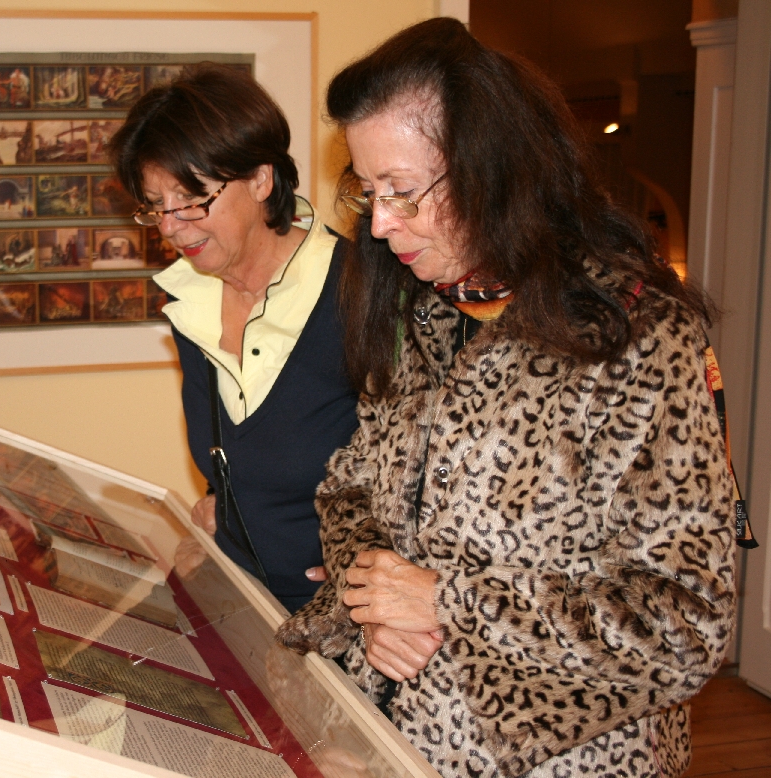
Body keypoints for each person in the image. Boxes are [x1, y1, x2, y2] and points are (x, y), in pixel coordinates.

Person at [276, 18, 741, 777]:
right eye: (369, 191)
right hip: (392, 741)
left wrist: (446, 604)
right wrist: (375, 593)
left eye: (403, 191)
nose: (381, 223)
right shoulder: (424, 311)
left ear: (493, 169)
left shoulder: (636, 337)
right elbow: (349, 490)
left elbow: (683, 625)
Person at [109, 65, 361, 612]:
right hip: (241, 607)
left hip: (342, 626)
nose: (169, 227)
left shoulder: (362, 293)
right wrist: (219, 507)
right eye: (156, 206)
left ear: (261, 180)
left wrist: (381, 565)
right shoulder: (192, 303)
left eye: (190, 199)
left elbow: (435, 475)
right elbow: (246, 459)